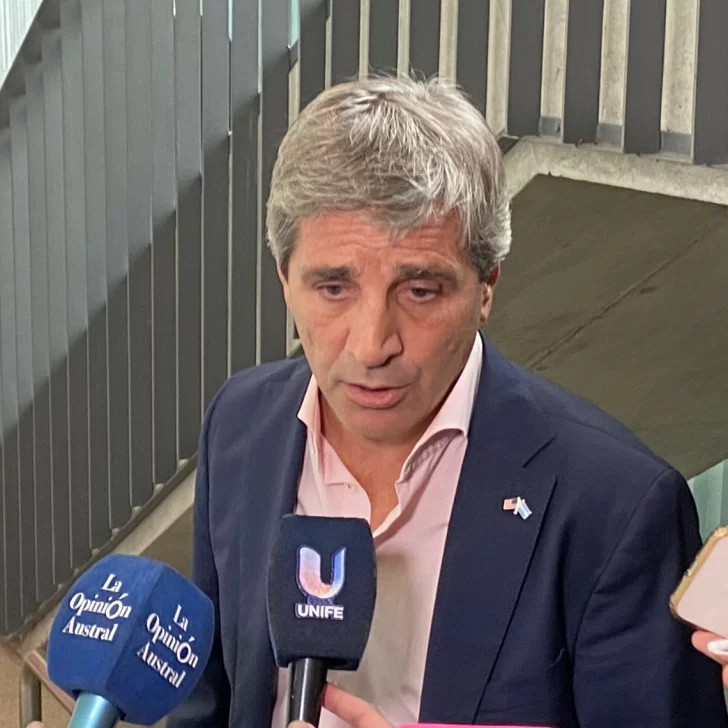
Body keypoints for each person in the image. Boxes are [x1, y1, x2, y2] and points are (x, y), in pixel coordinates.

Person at [154, 75, 727, 728]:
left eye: (420, 291)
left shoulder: (615, 505)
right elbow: (208, 699)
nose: (372, 345)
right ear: (286, 281)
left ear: (486, 287)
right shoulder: (239, 424)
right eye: (333, 287)